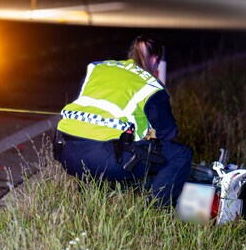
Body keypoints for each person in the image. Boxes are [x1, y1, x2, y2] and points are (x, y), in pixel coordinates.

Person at [53, 34, 192, 207]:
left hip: (66, 152)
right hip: (103, 158)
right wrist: (148, 134)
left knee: (108, 143)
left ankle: (88, 201)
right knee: (179, 154)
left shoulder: (98, 68)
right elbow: (168, 133)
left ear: (131, 54)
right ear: (155, 59)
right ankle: (155, 211)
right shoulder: (150, 84)